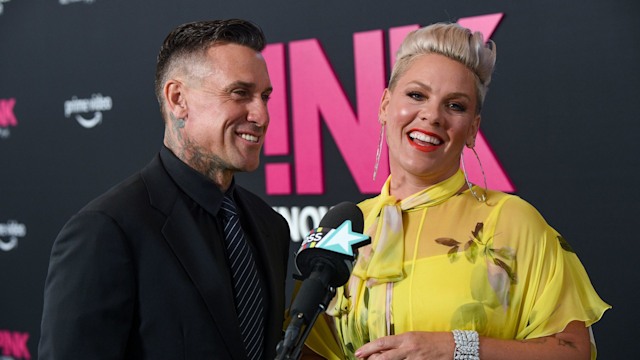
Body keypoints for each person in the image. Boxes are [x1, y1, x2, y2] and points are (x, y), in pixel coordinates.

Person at [303, 22, 610, 360]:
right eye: (417, 95)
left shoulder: (510, 221)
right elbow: (309, 347)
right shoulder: (350, 225)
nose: (432, 115)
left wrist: (459, 348)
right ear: (385, 105)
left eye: (455, 106)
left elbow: (572, 351)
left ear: (473, 129)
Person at [38, 19, 290, 359]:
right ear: (177, 99)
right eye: (240, 93)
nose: (261, 115)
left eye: (265, 96)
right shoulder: (107, 230)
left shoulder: (270, 225)